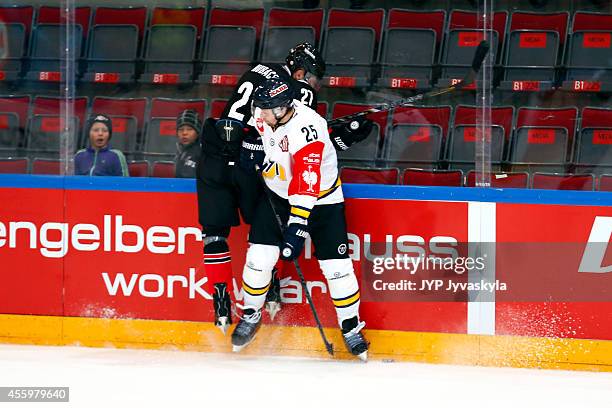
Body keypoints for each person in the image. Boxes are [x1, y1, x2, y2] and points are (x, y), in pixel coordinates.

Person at [197, 42, 372, 333]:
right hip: (251, 161)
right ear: (302, 70)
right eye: (314, 77)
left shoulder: (258, 70)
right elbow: (296, 145)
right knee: (269, 230)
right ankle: (273, 288)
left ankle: (221, 300)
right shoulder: (296, 88)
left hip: (216, 150)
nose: (315, 85)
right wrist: (340, 139)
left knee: (215, 233)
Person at [230, 78, 369, 361]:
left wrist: (297, 226)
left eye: (267, 110)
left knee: (338, 270)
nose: (261, 114)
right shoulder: (264, 112)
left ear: (283, 108)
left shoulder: (309, 129)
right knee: (258, 261)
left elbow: (307, 182)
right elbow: (255, 133)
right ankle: (251, 313)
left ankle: (351, 326)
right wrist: (251, 148)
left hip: (322, 201)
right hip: (276, 197)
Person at [174, 110, 201, 178]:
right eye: (181, 129)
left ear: (197, 133)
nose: (184, 133)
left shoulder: (203, 152)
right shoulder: (179, 150)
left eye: (189, 129)